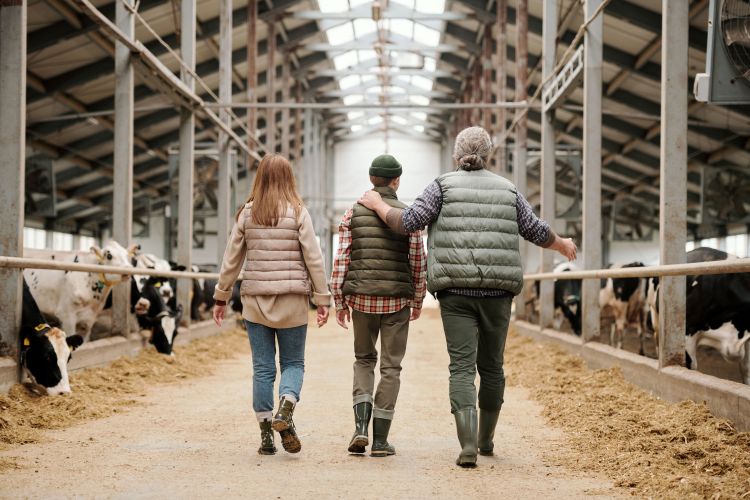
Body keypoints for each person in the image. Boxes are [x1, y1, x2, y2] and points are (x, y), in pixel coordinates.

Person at [359, 127, 577, 468]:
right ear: (488, 155)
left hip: (456, 291)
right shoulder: (508, 189)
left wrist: (376, 204)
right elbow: (534, 228)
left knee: (461, 367)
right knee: (492, 367)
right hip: (499, 293)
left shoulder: (442, 186)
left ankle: (467, 446)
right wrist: (561, 243)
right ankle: (486, 440)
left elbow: (409, 223)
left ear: (456, 155)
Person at [212, 153, 330, 456]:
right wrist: (322, 298)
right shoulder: (299, 212)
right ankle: (286, 409)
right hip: (292, 301)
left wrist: (221, 296)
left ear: (259, 178)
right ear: (289, 178)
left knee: (262, 370)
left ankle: (266, 438)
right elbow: (313, 258)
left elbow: (231, 260)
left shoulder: (247, 213)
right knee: (293, 364)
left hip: (255, 303)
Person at [331, 154, 427, 457]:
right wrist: (418, 297)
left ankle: (360, 428)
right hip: (397, 300)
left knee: (363, 360)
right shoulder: (408, 216)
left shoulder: (352, 213)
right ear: (396, 181)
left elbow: (341, 259)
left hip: (361, 300)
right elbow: (418, 262)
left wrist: (338, 300)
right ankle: (381, 440)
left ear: (372, 179)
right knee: (391, 367)